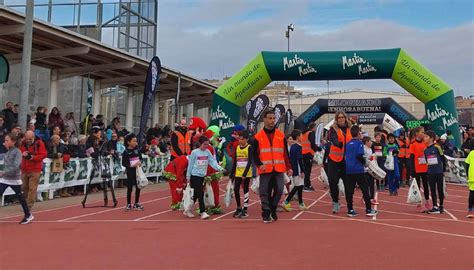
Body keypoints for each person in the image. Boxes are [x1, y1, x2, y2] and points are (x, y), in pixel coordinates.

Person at [253, 110, 292, 223]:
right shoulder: (258, 137)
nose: (272, 121)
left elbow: (285, 153)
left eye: (274, 118)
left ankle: (273, 208)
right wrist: (260, 165)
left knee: (280, 190)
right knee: (264, 191)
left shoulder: (281, 135)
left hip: (279, 168)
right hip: (265, 169)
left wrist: (289, 167)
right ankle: (266, 212)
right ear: (264, 120)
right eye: (270, 118)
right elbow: (255, 155)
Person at [185, 136, 224, 220]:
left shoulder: (207, 152)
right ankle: (203, 212)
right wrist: (188, 176)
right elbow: (190, 165)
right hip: (195, 176)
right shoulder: (194, 152)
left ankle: (187, 209)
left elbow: (212, 162)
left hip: (202, 176)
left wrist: (220, 168)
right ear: (200, 143)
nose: (206, 146)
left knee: (196, 194)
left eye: (207, 144)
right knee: (200, 193)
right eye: (204, 144)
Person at [0, 133, 34, 224]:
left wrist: (3, 172)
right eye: (5, 141)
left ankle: (28, 215)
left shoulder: (17, 152)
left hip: (14, 179)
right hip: (5, 179)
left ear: (13, 142)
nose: (5, 142)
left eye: (7, 141)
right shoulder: (8, 151)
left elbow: (16, 166)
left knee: (21, 198)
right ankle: (28, 215)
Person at [344, 126, 378, 217]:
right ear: (358, 134)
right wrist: (365, 163)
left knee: (349, 191)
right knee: (365, 189)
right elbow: (359, 155)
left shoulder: (347, 144)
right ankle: (368, 209)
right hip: (358, 170)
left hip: (348, 170)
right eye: (360, 133)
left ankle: (350, 209)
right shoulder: (359, 143)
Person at [327, 111, 352, 214]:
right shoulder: (333, 129)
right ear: (336, 119)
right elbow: (332, 139)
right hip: (334, 160)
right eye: (339, 118)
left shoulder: (350, 129)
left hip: (346, 161)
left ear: (345, 118)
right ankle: (335, 202)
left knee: (348, 184)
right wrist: (338, 143)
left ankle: (350, 205)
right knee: (332, 182)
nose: (341, 119)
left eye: (343, 117)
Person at [19, 130, 47, 209]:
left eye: (29, 139)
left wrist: (32, 157)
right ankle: (26, 201)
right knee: (24, 187)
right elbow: (18, 151)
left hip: (35, 169)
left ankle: (29, 204)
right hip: (24, 169)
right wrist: (23, 153)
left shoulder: (39, 143)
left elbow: (43, 154)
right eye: (26, 138)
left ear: (33, 137)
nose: (27, 140)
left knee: (32, 187)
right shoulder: (22, 143)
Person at [229, 130, 254, 218]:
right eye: (239, 139)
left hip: (246, 174)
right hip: (238, 173)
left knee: (245, 190)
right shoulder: (237, 148)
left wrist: (244, 174)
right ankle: (239, 207)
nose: (240, 141)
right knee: (236, 190)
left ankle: (245, 209)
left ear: (246, 139)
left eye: (242, 139)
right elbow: (235, 161)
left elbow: (250, 161)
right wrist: (232, 173)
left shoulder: (249, 148)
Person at [282, 129, 307, 211]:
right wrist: (302, 170)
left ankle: (301, 203)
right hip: (298, 170)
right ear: (297, 137)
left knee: (299, 186)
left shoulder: (292, 147)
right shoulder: (299, 147)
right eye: (301, 135)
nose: (302, 137)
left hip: (294, 168)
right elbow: (300, 159)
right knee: (297, 187)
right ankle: (286, 201)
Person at [424, 131, 447, 214]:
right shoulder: (425, 150)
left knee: (440, 189)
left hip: (439, 172)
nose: (424, 138)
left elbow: (443, 159)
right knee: (432, 190)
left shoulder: (437, 147)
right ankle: (434, 206)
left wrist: (443, 170)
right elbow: (427, 161)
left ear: (431, 138)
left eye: (426, 137)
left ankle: (441, 205)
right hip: (430, 172)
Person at [409, 126, 431, 212]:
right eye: (422, 132)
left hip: (425, 168)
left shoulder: (425, 143)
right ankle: (418, 203)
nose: (423, 134)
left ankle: (427, 202)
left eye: (424, 132)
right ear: (417, 134)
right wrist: (412, 169)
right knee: (417, 186)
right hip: (417, 169)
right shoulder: (413, 144)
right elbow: (411, 158)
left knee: (426, 185)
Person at [121, 133, 144, 211]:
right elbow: (123, 163)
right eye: (133, 141)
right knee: (130, 188)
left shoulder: (137, 150)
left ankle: (136, 203)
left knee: (138, 187)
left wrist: (140, 162)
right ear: (128, 142)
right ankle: (128, 204)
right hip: (130, 172)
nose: (135, 143)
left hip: (137, 171)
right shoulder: (126, 152)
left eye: (136, 141)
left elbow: (141, 158)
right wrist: (130, 165)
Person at [301, 122, 319, 192]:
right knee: (308, 171)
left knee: (305, 170)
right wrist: (317, 150)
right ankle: (307, 185)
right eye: (315, 127)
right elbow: (312, 144)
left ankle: (304, 184)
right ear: (313, 127)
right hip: (309, 153)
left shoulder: (304, 133)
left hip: (303, 153)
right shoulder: (311, 133)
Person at [363, 136, 378, 205]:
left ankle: (371, 198)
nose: (371, 143)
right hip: (365, 169)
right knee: (366, 184)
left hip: (371, 169)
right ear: (366, 142)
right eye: (370, 141)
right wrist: (370, 157)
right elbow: (364, 158)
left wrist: (373, 157)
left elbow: (371, 158)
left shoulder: (370, 149)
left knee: (372, 183)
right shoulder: (363, 149)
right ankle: (364, 197)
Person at [465, 149, 474, 218]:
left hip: (472, 176)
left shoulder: (472, 153)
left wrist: (467, 174)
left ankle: (470, 210)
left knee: (472, 193)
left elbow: (467, 164)